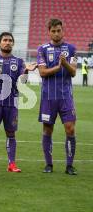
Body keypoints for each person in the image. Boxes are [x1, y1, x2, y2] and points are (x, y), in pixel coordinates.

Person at [0, 32, 37, 172]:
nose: (8, 42)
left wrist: (26, 71)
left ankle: (12, 164)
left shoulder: (18, 61)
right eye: (5, 40)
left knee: (11, 133)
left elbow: (23, 82)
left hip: (12, 103)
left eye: (10, 40)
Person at [37, 18, 78, 175]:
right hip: (48, 97)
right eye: (53, 31)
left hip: (66, 96)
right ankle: (49, 164)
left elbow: (73, 72)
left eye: (58, 30)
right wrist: (58, 66)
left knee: (70, 129)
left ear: (63, 30)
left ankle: (69, 166)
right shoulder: (42, 49)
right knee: (48, 130)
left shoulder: (71, 49)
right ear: (49, 32)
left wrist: (65, 63)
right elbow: (42, 72)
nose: (56, 33)